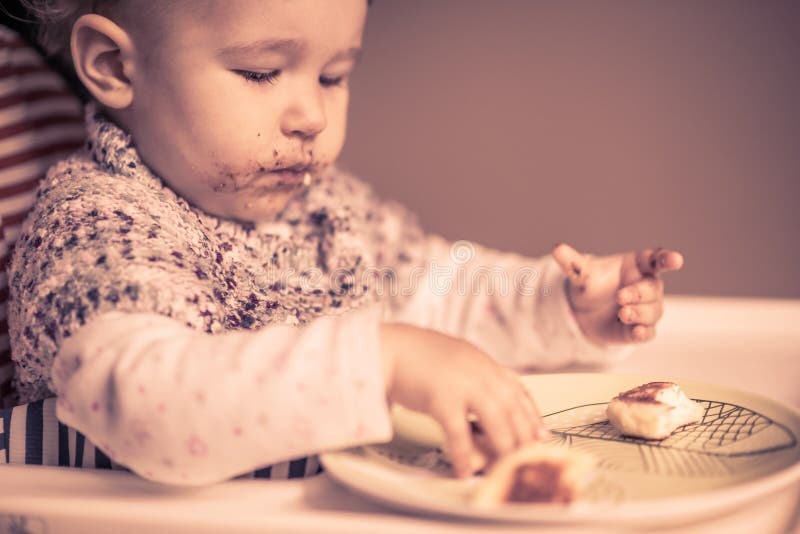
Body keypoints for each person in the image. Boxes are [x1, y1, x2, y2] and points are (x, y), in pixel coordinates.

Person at [7, 0, 683, 485]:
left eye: (334, 76)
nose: (313, 115)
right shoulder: (95, 227)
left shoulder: (323, 209)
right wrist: (381, 361)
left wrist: (557, 301)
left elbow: (433, 285)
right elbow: (147, 405)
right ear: (114, 67)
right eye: (261, 72)